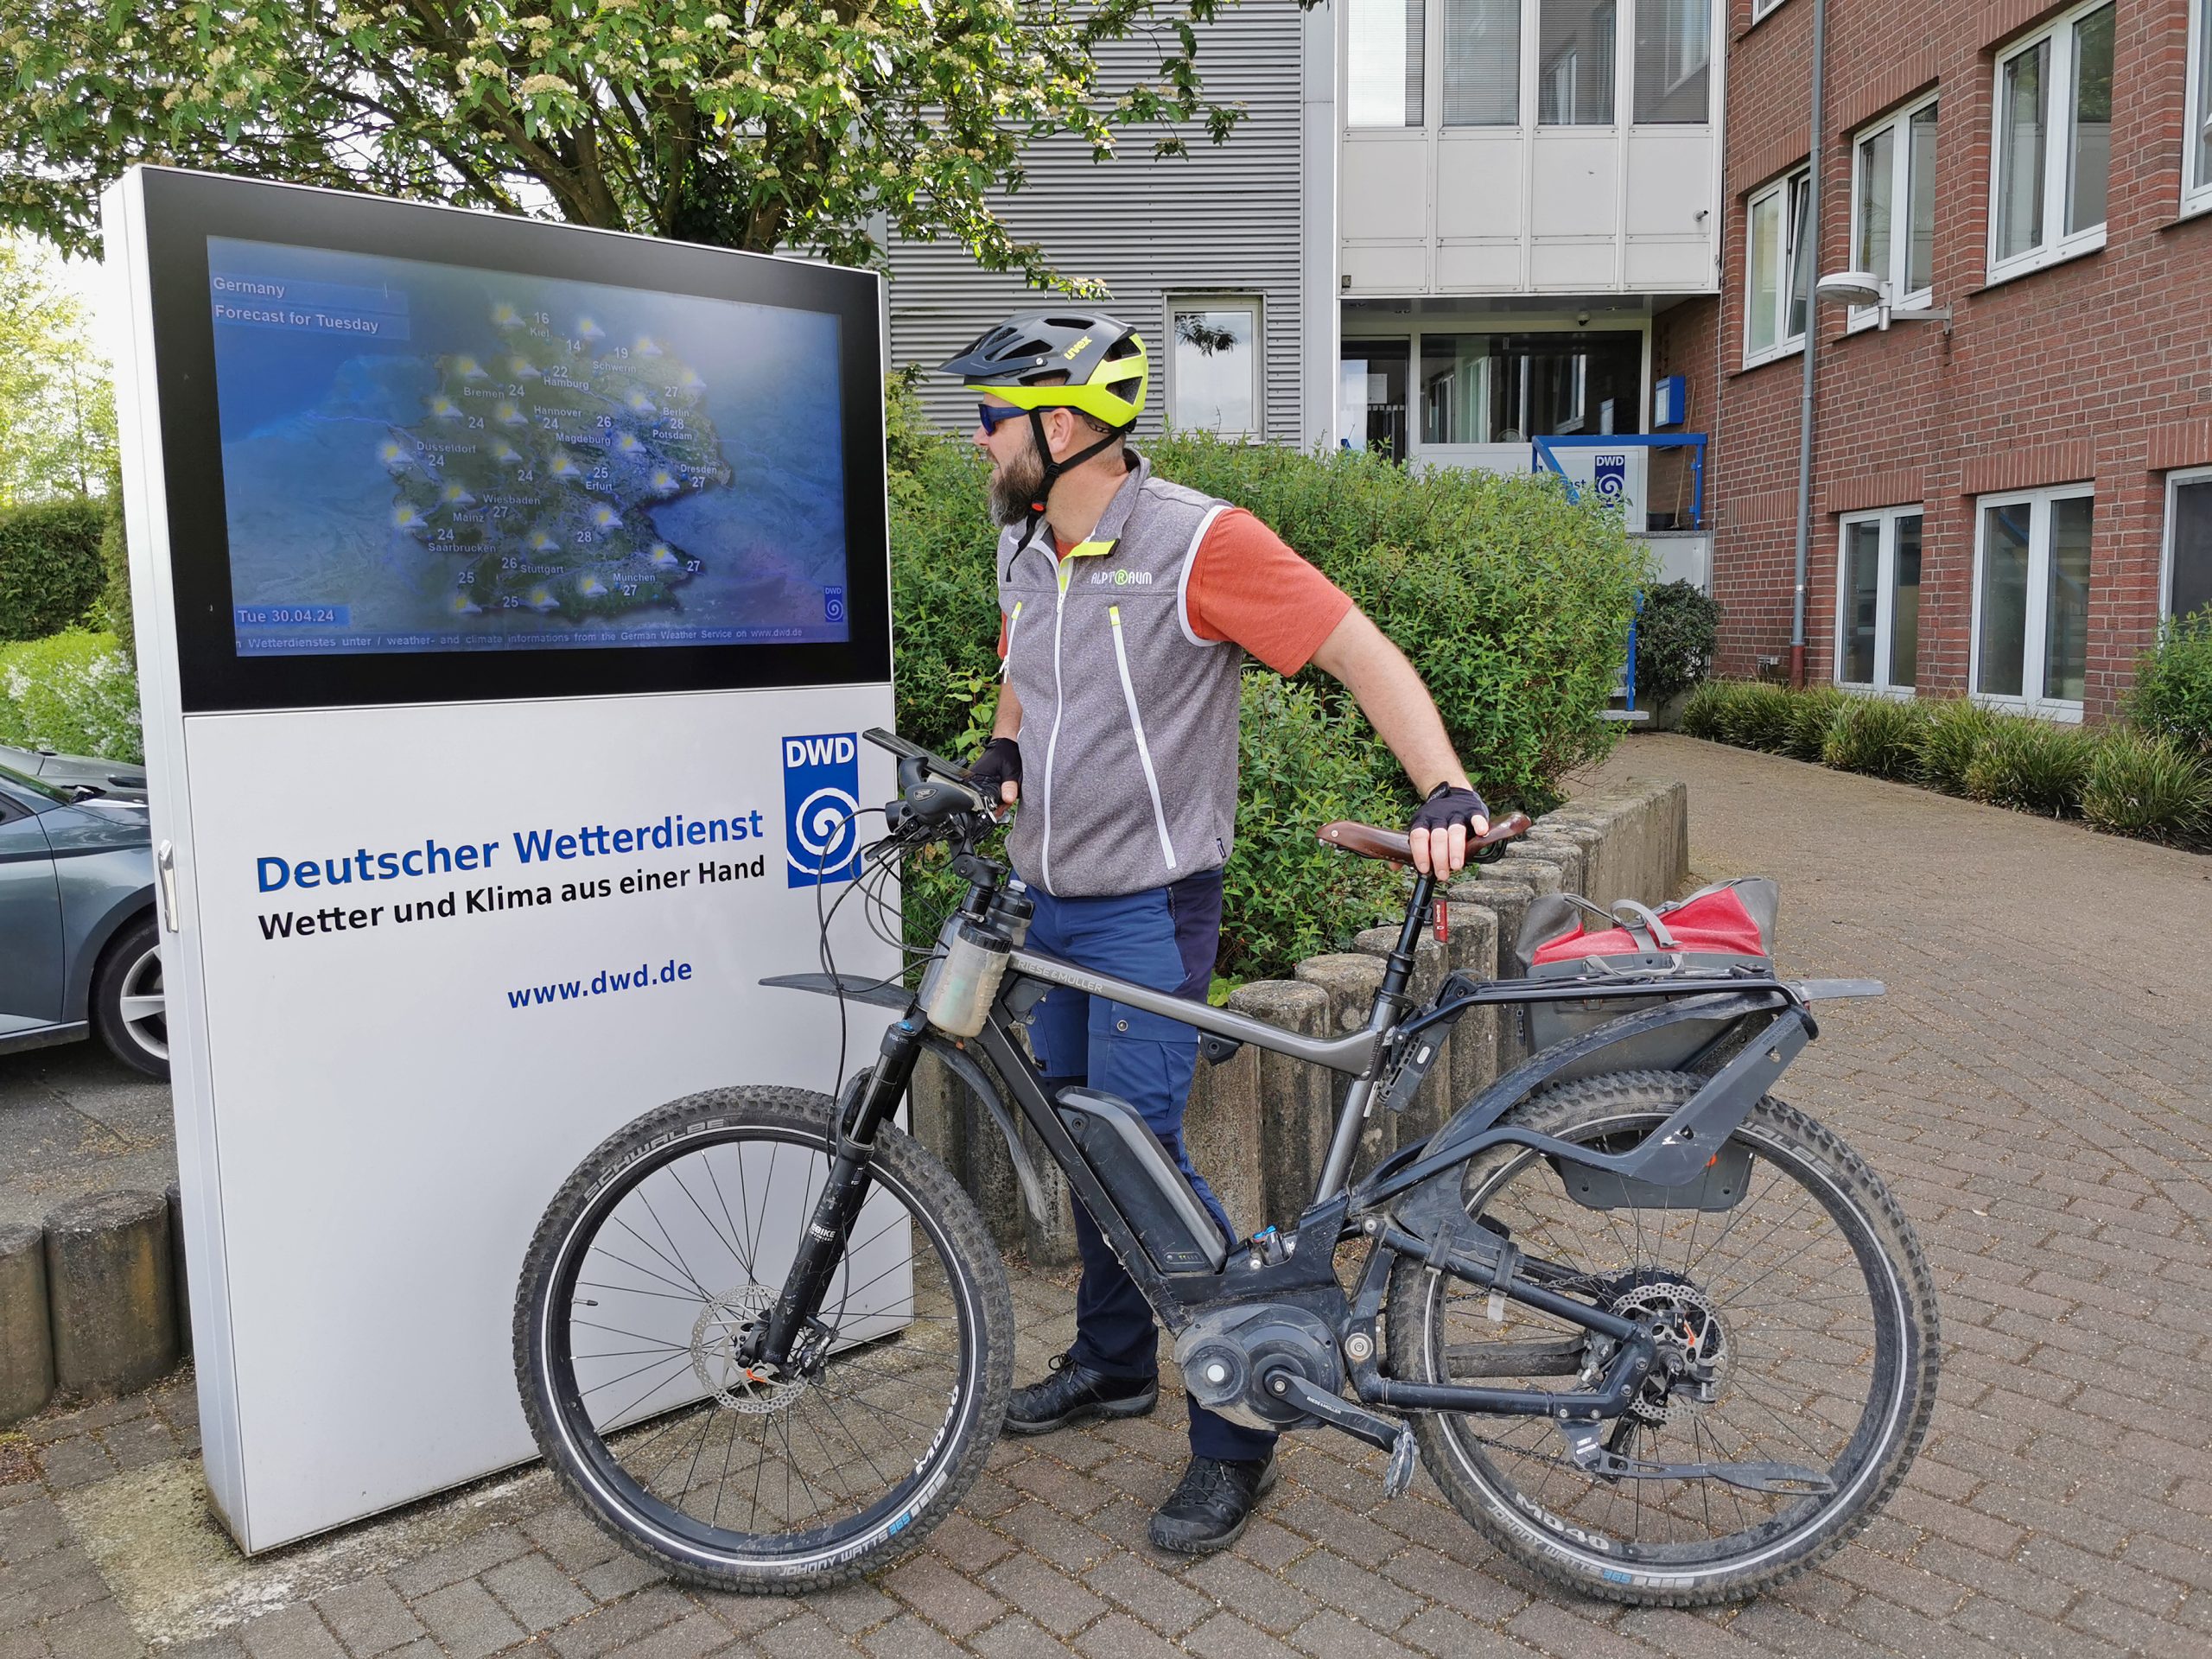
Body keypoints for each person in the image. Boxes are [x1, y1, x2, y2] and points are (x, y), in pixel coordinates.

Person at [937, 310, 1490, 1554]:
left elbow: (1358, 648)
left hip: (1149, 905)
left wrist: (1444, 788)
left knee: (1144, 1156)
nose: (977, 441)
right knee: (1087, 1141)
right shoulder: (1028, 537)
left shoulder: (1198, 542)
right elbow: (1028, 659)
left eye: (989, 418)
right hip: (1049, 904)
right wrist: (1002, 749)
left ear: (1061, 426)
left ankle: (1239, 1436)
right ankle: (1113, 1363)